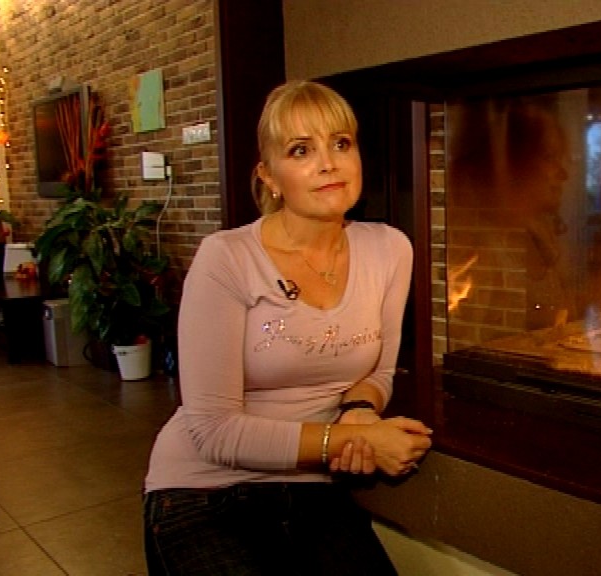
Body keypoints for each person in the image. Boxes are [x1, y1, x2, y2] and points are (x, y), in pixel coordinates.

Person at [142, 80, 432, 575]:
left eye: (341, 143)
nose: (328, 163)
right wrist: (348, 442)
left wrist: (360, 410)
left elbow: (380, 372)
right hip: (205, 491)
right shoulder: (226, 258)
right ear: (269, 176)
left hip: (313, 486)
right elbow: (213, 431)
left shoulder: (390, 249)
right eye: (301, 150)